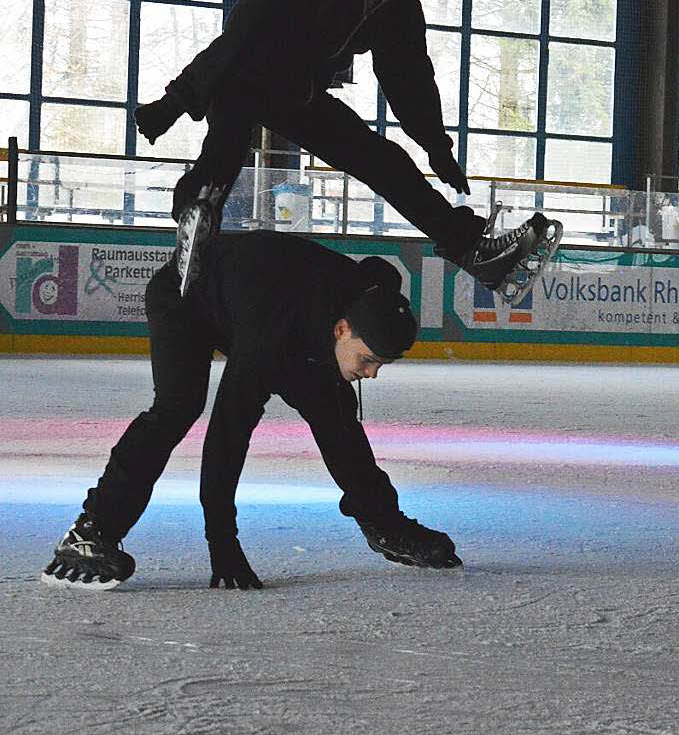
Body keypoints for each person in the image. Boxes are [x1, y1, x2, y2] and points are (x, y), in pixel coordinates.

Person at [135, 0, 559, 301]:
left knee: (383, 160)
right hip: (243, 78)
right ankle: (196, 217)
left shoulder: (399, 10)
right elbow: (236, 39)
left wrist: (436, 146)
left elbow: (409, 83)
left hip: (298, 98)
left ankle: (473, 250)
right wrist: (174, 103)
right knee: (225, 147)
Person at [42, 232, 462, 592]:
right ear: (342, 329)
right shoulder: (268, 344)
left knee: (338, 421)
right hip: (188, 295)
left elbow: (376, 276)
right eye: (368, 360)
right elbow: (227, 437)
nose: (370, 374)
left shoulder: (364, 303)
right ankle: (93, 531)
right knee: (178, 406)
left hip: (270, 307)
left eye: (379, 365)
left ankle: (384, 523)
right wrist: (222, 542)